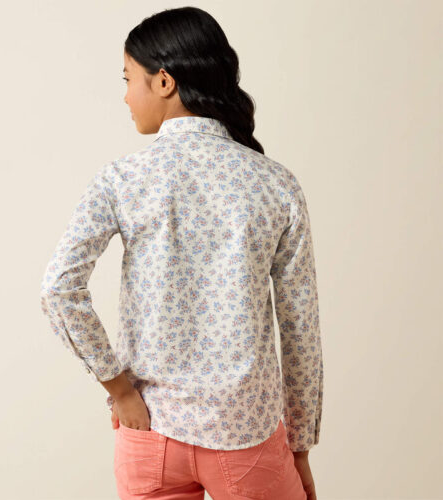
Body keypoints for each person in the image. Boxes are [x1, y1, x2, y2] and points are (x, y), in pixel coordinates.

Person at [40, 6, 323, 500]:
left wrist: (119, 390)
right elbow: (300, 327)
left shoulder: (122, 180)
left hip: (149, 431)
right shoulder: (276, 184)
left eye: (128, 79)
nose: (125, 95)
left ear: (164, 81)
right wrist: (299, 445)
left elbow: (58, 290)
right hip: (247, 436)